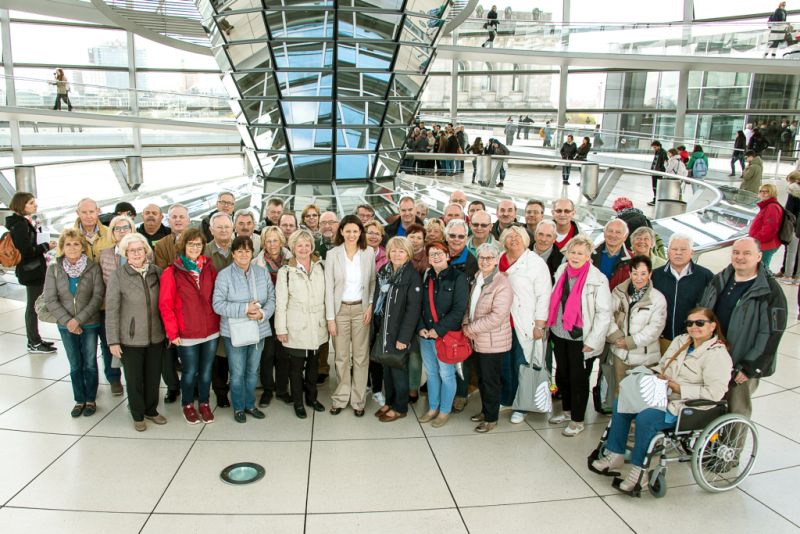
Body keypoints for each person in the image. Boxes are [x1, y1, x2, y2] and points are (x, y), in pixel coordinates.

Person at [591, 308, 733, 494]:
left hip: (687, 405)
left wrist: (679, 388)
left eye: (700, 323)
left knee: (646, 418)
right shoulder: (682, 341)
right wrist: (656, 375)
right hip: (663, 393)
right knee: (622, 402)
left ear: (713, 326)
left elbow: (714, 394)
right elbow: (664, 364)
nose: (693, 327)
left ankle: (639, 471)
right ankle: (615, 453)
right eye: (689, 323)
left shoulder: (718, 355)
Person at [699, 237, 787, 418]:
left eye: (747, 253)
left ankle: (732, 447)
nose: (740, 257)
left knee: (736, 410)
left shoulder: (770, 291)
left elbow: (771, 334)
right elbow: (703, 310)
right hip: (714, 357)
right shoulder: (721, 279)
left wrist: (750, 367)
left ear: (759, 256)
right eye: (736, 252)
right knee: (710, 406)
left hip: (743, 363)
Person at [548, 234, 612, 437]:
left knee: (579, 379)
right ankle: (566, 411)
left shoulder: (597, 279)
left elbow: (604, 314)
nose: (575, 256)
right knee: (563, 376)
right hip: (559, 332)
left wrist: (592, 342)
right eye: (572, 252)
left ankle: (578, 419)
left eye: (580, 253)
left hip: (581, 338)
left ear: (588, 256)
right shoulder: (561, 270)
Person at [158, 228, 220, 425]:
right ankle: (187, 405)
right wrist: (172, 332)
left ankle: (204, 403)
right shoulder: (172, 272)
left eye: (198, 244)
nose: (195, 247)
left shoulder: (209, 268)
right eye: (191, 244)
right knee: (189, 371)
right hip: (187, 333)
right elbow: (165, 305)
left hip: (210, 330)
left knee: (206, 371)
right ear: (183, 246)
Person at [105, 233, 166, 432]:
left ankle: (151, 409)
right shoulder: (118, 275)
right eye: (132, 250)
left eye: (140, 249)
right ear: (126, 253)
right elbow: (112, 309)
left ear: (146, 251)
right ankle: (137, 414)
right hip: (130, 338)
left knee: (153, 377)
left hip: (156, 335)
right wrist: (113, 341)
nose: (137, 253)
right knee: (134, 379)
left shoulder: (156, 272)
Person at [212, 236, 276, 423]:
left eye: (247, 251)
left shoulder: (261, 273)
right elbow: (218, 304)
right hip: (234, 332)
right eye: (239, 251)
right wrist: (244, 309)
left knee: (252, 370)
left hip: (259, 329)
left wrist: (262, 313)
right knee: (237, 371)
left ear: (252, 253)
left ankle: (250, 405)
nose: (243, 255)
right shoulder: (224, 275)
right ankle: (239, 407)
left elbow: (272, 298)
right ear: (233, 254)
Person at [44, 229, 104, 417]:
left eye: (76, 243)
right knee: (75, 364)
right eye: (68, 244)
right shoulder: (54, 269)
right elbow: (50, 299)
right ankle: (79, 399)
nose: (72, 247)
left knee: (90, 363)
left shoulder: (93, 268)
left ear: (82, 247)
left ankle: (90, 399)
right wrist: (68, 321)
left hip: (89, 323)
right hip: (65, 324)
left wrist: (79, 319)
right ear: (62, 247)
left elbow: (97, 297)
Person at [498, 226, 552, 424]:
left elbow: (544, 295)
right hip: (502, 323)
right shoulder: (499, 259)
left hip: (525, 323)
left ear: (525, 240)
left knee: (522, 363)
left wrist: (539, 324)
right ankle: (507, 398)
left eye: (518, 236)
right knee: (505, 364)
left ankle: (522, 405)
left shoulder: (535, 263)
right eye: (510, 237)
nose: (514, 240)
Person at [326, 215, 376, 417]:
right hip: (339, 311)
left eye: (356, 231)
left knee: (361, 356)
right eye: (348, 231)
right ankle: (341, 397)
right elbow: (329, 288)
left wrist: (370, 305)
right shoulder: (333, 254)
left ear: (360, 233)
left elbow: (372, 281)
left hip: (360, 309)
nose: (352, 234)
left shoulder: (368, 252)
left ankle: (358, 400)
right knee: (341, 356)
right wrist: (330, 317)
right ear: (341, 232)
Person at [275, 229, 327, 418]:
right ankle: (298, 402)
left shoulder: (321, 267)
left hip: (317, 324)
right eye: (299, 245)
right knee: (296, 367)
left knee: (313, 365)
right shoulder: (285, 272)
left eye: (307, 245)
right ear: (293, 248)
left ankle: (311, 398)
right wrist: (281, 328)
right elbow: (280, 303)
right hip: (296, 325)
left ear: (312, 246)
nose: (304, 249)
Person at [462, 243, 513, 433]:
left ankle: (491, 419)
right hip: (477, 340)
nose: (485, 261)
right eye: (482, 257)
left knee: (491, 381)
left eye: (489, 258)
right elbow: (470, 306)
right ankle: (485, 410)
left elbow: (497, 316)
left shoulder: (502, 283)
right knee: (482, 379)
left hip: (493, 342)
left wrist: (471, 328)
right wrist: (466, 324)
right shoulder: (477, 278)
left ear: (497, 260)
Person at [372, 237, 423, 422]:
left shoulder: (411, 276)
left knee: (398, 370)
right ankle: (390, 402)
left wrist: (404, 338)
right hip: (384, 328)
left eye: (401, 251)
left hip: (399, 331)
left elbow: (413, 311)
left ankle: (400, 407)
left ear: (408, 253)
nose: (397, 254)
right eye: (393, 250)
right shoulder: (385, 270)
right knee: (387, 367)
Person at [418, 242, 469, 428]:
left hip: (446, 336)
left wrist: (437, 330)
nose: (436, 257)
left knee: (446, 374)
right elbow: (420, 306)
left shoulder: (459, 278)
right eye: (432, 254)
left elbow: (458, 310)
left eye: (439, 253)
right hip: (426, 336)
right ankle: (433, 408)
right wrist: (421, 327)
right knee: (431, 373)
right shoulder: (427, 276)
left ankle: (445, 410)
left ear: (448, 255)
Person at [605, 255, 667, 397]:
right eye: (635, 273)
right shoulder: (618, 292)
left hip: (645, 357)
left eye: (643, 274)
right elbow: (608, 316)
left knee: (643, 395)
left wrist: (630, 342)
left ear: (650, 274)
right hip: (620, 353)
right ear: (629, 273)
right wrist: (616, 338)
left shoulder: (657, 299)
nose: (639, 278)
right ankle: (620, 419)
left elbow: (655, 329)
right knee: (620, 392)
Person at [6, 192, 57, 354]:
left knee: (34, 305)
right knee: (33, 306)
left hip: (32, 269)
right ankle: (34, 342)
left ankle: (35, 340)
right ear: (21, 205)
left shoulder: (23, 222)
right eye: (31, 203)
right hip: (31, 270)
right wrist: (46, 247)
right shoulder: (20, 225)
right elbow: (25, 251)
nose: (35, 205)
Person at [651, 234, 714, 351]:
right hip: (662, 339)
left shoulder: (705, 276)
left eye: (683, 249)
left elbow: (711, 308)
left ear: (692, 252)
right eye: (674, 249)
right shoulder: (656, 275)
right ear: (668, 252)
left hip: (692, 341)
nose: (678, 253)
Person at [154, 203, 190, 403]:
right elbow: (162, 273)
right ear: (168, 221)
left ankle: (188, 385)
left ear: (188, 220)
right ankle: (172, 386)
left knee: (188, 351)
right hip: (168, 302)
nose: (177, 220)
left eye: (181, 217)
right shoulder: (161, 244)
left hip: (190, 306)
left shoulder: (196, 240)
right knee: (167, 352)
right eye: (174, 217)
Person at [253, 226, 293, 401]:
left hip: (287, 313)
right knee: (267, 353)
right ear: (263, 243)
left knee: (284, 353)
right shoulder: (256, 263)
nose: (272, 244)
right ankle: (268, 389)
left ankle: (283, 390)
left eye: (275, 240)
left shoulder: (292, 260)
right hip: (266, 314)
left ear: (282, 241)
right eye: (268, 241)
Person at [749, 183, 783, 271]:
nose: (763, 193)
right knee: (761, 268)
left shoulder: (772, 207)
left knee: (762, 269)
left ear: (772, 193)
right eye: (761, 191)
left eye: (767, 191)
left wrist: (756, 239)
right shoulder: (767, 206)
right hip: (764, 243)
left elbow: (769, 229)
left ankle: (768, 284)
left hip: (766, 244)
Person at [592, 219, 632, 290]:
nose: (613, 235)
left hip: (617, 300)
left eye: (618, 232)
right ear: (604, 233)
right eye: (610, 231)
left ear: (625, 237)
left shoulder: (633, 259)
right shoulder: (589, 254)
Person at [779, 170, 800, 284]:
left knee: (791, 251)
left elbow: (789, 210)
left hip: (794, 226)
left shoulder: (793, 191)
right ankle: (796, 276)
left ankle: (787, 276)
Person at [648, 141, 668, 206]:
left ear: (659, 146)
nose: (654, 148)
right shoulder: (657, 152)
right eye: (653, 147)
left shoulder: (663, 152)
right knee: (654, 186)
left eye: (655, 147)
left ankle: (656, 200)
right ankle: (655, 199)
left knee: (657, 186)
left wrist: (661, 171)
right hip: (654, 171)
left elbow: (664, 162)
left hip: (658, 172)